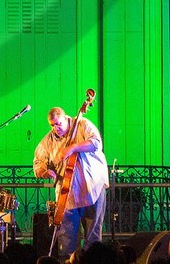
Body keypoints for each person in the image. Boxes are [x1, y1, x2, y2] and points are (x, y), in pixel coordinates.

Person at [32, 104, 108, 259]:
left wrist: (73, 148)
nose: (56, 128)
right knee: (66, 239)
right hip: (67, 193)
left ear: (66, 118)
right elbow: (38, 164)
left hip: (92, 188)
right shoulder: (48, 140)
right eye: (52, 125)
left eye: (58, 124)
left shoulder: (82, 124)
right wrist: (44, 171)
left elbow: (96, 143)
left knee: (93, 239)